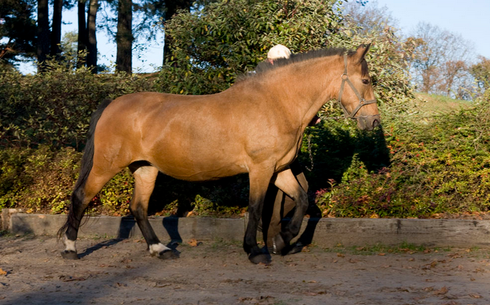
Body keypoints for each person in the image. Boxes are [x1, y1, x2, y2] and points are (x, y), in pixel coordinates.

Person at [260, 45, 322, 255]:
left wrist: (310, 118)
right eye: (279, 62)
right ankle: (271, 240)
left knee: (301, 187)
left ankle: (268, 228)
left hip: (286, 148)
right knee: (278, 195)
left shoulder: (287, 81)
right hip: (269, 150)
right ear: (270, 61)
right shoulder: (263, 81)